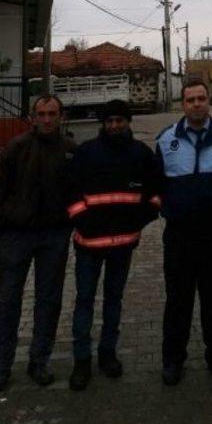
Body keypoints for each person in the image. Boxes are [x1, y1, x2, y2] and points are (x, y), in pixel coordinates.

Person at [65, 99, 162, 390]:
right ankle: (82, 360)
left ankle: (108, 354)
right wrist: (82, 221)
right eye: (109, 121)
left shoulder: (141, 154)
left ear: (128, 122)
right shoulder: (86, 153)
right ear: (102, 124)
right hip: (88, 245)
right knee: (84, 301)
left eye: (120, 120)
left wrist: (138, 220)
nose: (115, 125)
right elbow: (69, 192)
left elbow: (156, 193)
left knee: (113, 301)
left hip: (123, 245)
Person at [0, 95, 75, 393]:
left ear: (61, 116)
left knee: (48, 300)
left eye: (52, 114)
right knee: (9, 300)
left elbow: (79, 193)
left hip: (53, 236)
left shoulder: (70, 151)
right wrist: (1, 226)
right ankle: (2, 365)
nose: (47, 119)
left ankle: (39, 361)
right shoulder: (16, 147)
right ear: (33, 116)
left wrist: (68, 225)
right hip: (17, 235)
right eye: (41, 114)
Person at [156, 80, 212, 386]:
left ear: (209, 101)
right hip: (179, 237)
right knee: (178, 300)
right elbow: (158, 186)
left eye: (202, 98)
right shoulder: (166, 140)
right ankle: (173, 360)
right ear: (182, 104)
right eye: (190, 99)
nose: (196, 104)